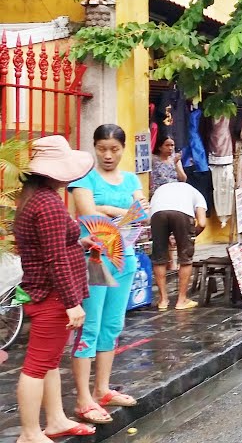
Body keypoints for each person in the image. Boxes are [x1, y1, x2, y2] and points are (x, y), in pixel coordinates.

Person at [14, 135, 98, 442]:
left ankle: (55, 420)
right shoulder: (48, 204)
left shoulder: (32, 199)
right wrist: (71, 302)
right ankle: (29, 433)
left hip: (40, 291)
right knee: (37, 365)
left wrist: (78, 241)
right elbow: (54, 259)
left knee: (48, 360)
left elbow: (49, 247)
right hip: (51, 295)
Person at [68, 124, 147, 424]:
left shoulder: (130, 178)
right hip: (94, 260)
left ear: (123, 149)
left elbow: (142, 211)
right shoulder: (83, 178)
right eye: (102, 148)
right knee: (89, 327)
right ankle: (82, 398)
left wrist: (108, 209)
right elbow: (89, 217)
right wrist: (119, 211)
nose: (108, 155)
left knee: (112, 325)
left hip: (123, 259)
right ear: (94, 147)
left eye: (114, 149)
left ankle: (102, 389)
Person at [149, 181, 208, 311]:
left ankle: (163, 300)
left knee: (159, 258)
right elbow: (202, 223)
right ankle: (182, 300)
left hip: (157, 213)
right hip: (182, 213)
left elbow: (153, 217)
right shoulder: (197, 194)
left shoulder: (160, 189)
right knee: (185, 258)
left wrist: (170, 237)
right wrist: (189, 237)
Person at [149, 130, 186, 196]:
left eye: (172, 145)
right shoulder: (153, 159)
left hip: (174, 192)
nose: (170, 148)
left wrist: (176, 164)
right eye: (167, 145)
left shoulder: (175, 159)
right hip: (158, 193)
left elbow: (183, 179)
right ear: (160, 147)